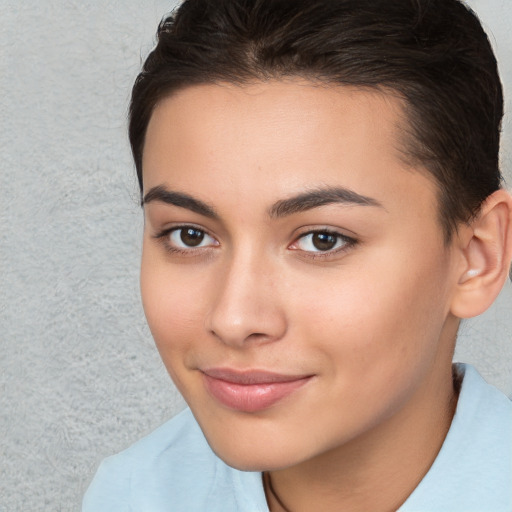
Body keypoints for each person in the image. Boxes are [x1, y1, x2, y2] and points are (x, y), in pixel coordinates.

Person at [83, 0, 512, 510]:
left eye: (322, 239)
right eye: (190, 236)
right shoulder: (133, 495)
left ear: (477, 257)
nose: (234, 319)